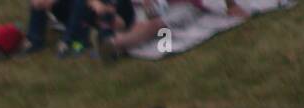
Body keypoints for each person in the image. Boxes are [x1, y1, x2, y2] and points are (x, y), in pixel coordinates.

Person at [101, 0, 247, 59]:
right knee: (145, 24)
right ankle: (115, 43)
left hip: (183, 7)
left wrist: (231, 6)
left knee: (155, 26)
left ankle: (115, 44)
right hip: (162, 6)